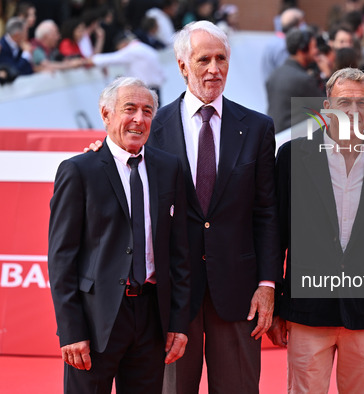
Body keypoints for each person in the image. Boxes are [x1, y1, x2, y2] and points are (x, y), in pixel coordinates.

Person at [86, 21, 282, 394]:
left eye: (221, 58)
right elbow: (115, 169)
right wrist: (98, 152)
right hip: (172, 293)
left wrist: (268, 283)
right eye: (203, 59)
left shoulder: (257, 128)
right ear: (181, 66)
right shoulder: (150, 127)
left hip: (239, 292)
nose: (213, 69)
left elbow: (266, 211)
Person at [269, 67, 364, 393]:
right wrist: (277, 306)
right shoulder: (291, 157)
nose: (353, 112)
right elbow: (276, 237)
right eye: (344, 103)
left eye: (361, 103)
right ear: (326, 107)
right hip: (307, 313)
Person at [48, 77, 191, 394]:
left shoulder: (169, 169)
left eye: (147, 111)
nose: (139, 119)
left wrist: (178, 324)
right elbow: (61, 260)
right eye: (130, 109)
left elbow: (179, 253)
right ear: (106, 114)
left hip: (152, 318)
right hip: (96, 319)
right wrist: (71, 330)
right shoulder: (79, 171)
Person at [266, 27, 324, 132]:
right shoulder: (303, 80)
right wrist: (327, 73)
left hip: (275, 135)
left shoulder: (274, 74)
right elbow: (325, 109)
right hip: (294, 139)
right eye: (314, 47)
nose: (317, 51)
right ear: (302, 49)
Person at [89, 31, 165, 101]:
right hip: (155, 89)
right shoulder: (147, 49)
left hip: (144, 91)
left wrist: (92, 60)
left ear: (123, 44)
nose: (121, 51)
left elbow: (113, 58)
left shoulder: (132, 50)